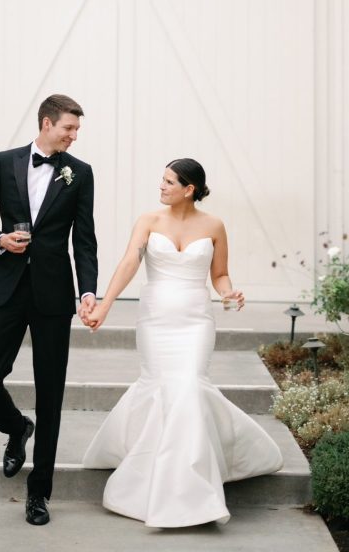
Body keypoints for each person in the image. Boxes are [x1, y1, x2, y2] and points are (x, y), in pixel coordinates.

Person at [82, 158, 283, 528]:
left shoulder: (214, 225)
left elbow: (219, 274)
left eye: (168, 182)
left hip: (195, 321)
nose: (161, 187)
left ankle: (191, 490)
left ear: (189, 189)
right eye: (162, 180)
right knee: (161, 388)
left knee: (189, 386)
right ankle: (156, 479)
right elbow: (129, 262)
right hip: (156, 320)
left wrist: (228, 294)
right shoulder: (148, 221)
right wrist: (105, 304)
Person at [0, 94, 97, 526]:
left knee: (51, 395)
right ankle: (15, 427)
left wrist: (88, 291)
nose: (74, 136)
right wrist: (0, 240)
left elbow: (84, 239)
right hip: (8, 288)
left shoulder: (80, 173)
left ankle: (39, 492)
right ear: (46, 123)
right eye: (68, 129)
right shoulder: (4, 162)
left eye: (76, 131)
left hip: (53, 296)